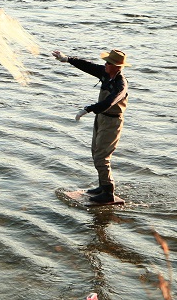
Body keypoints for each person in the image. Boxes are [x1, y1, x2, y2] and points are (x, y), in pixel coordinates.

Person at [51, 48, 130, 204]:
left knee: (102, 156)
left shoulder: (121, 84)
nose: (105, 64)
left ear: (117, 66)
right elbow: (88, 66)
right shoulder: (106, 73)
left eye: (108, 63)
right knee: (95, 152)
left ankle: (108, 193)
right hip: (101, 119)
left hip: (112, 122)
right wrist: (67, 59)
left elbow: (109, 102)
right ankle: (102, 186)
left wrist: (88, 109)